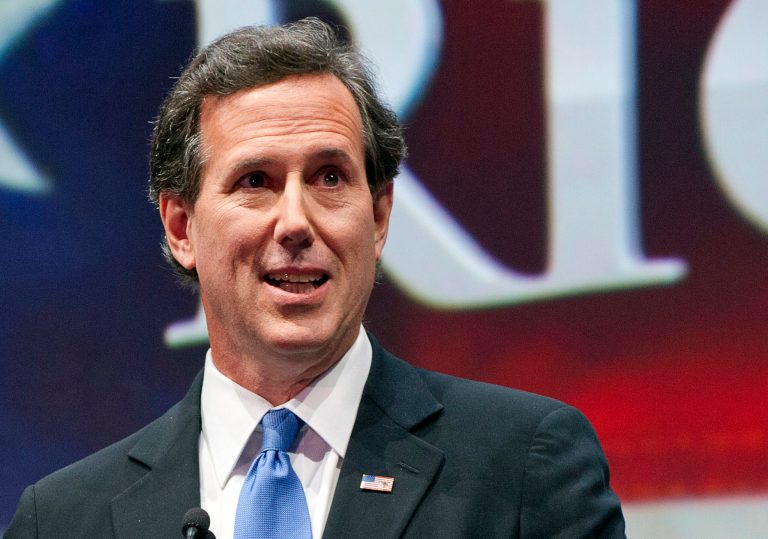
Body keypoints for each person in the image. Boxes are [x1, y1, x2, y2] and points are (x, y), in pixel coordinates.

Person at [6, 18, 626, 538]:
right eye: (256, 182)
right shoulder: (64, 520)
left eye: (330, 177)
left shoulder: (523, 468)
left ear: (378, 217)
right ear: (181, 227)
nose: (297, 222)